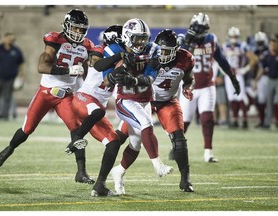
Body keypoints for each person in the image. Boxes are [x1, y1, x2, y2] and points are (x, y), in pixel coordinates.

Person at [0, 9, 95, 184]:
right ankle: (9, 149)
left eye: (81, 29)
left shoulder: (87, 46)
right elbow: (43, 66)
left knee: (77, 131)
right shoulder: (55, 40)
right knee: (27, 129)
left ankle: (81, 172)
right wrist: (68, 70)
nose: (78, 32)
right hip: (46, 93)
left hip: (66, 96)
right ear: (67, 25)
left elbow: (95, 64)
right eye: (75, 28)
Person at [110, 29, 195, 195]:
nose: (163, 54)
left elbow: (189, 78)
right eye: (161, 50)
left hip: (166, 101)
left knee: (179, 139)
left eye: (167, 51)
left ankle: (185, 178)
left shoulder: (185, 59)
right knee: (119, 139)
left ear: (176, 50)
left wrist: (187, 87)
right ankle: (107, 175)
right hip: (142, 101)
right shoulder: (148, 54)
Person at [98, 18, 174, 192]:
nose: (141, 43)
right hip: (126, 100)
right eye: (137, 38)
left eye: (143, 38)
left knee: (136, 144)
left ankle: (118, 172)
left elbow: (150, 76)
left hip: (144, 99)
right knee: (146, 124)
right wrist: (116, 74)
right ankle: (158, 165)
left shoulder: (152, 49)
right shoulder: (114, 50)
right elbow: (106, 80)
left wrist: (134, 79)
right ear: (127, 36)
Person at [65, 24, 124, 196]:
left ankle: (100, 185)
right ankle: (76, 139)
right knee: (98, 112)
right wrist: (120, 56)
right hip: (84, 98)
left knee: (113, 142)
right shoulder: (101, 49)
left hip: (96, 105)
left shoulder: (123, 56)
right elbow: (98, 65)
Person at [177, 12, 241, 163]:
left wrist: (233, 78)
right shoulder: (183, 39)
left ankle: (208, 153)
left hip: (207, 85)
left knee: (207, 119)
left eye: (201, 28)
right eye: (197, 28)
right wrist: (186, 43)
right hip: (189, 87)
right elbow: (177, 60)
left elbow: (222, 60)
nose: (198, 31)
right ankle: (177, 148)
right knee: (183, 122)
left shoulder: (211, 39)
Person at [222, 26, 258, 129]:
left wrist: (244, 69)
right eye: (232, 36)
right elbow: (219, 60)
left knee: (240, 96)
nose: (233, 38)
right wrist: (223, 71)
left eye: (235, 36)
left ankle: (245, 121)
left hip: (238, 74)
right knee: (232, 97)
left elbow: (254, 59)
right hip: (229, 74)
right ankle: (235, 120)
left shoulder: (242, 46)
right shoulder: (225, 46)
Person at [0, 32, 24, 120]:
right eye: (8, 38)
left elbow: (21, 63)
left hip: (10, 78)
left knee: (7, 98)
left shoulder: (16, 50)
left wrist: (21, 74)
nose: (10, 40)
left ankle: (4, 116)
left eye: (12, 39)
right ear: (5, 39)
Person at [255, 33, 278, 129]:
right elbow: (262, 68)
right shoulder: (266, 55)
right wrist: (256, 79)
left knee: (277, 101)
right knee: (268, 102)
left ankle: (276, 121)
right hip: (269, 79)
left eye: (274, 44)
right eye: (271, 44)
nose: (272, 46)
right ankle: (267, 122)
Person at [252, 31, 269, 128]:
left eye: (261, 43)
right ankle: (262, 120)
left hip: (266, 77)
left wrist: (255, 79)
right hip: (259, 78)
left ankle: (265, 121)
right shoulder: (255, 52)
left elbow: (262, 68)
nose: (260, 45)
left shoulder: (268, 51)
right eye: (258, 43)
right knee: (259, 99)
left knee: (265, 100)